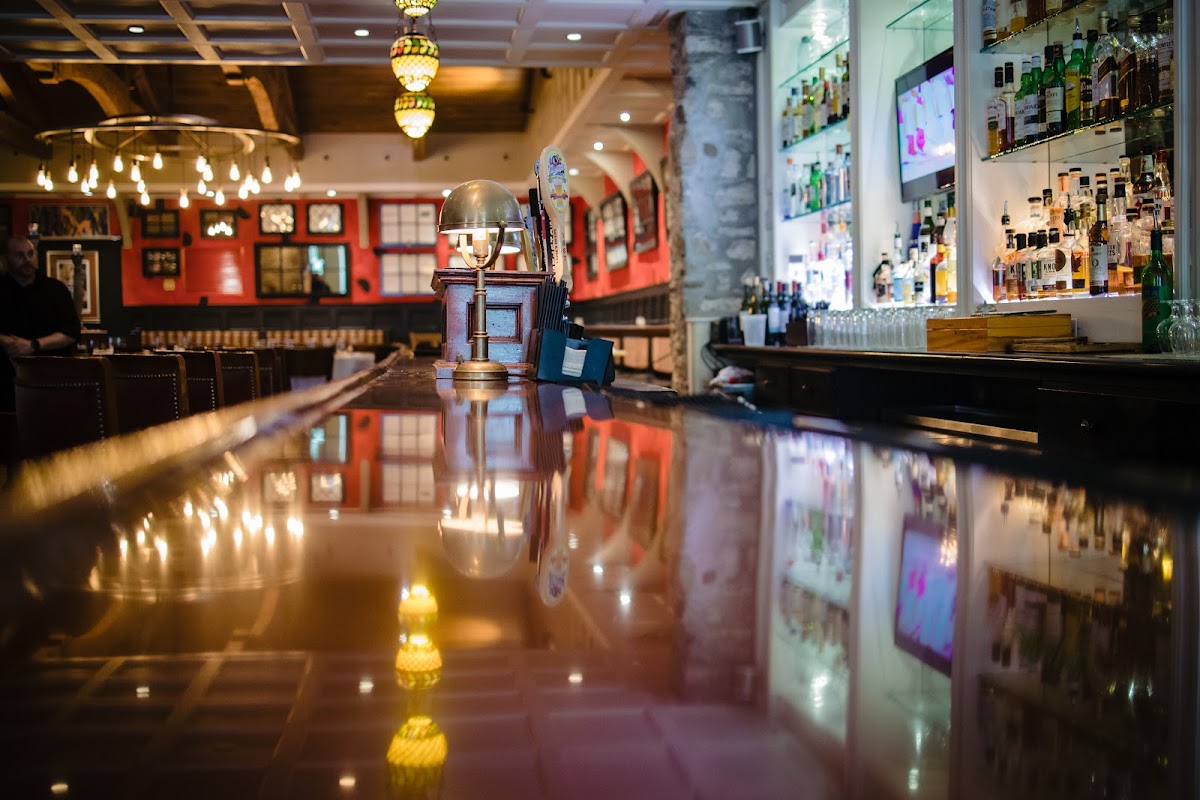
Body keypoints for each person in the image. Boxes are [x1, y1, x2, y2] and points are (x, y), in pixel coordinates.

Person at [0, 236, 82, 411]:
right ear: (5, 259)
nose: (27, 260)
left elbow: (72, 332)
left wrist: (33, 345)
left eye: (30, 254)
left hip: (52, 383)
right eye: (19, 255)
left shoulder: (56, 289)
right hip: (6, 386)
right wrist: (6, 341)